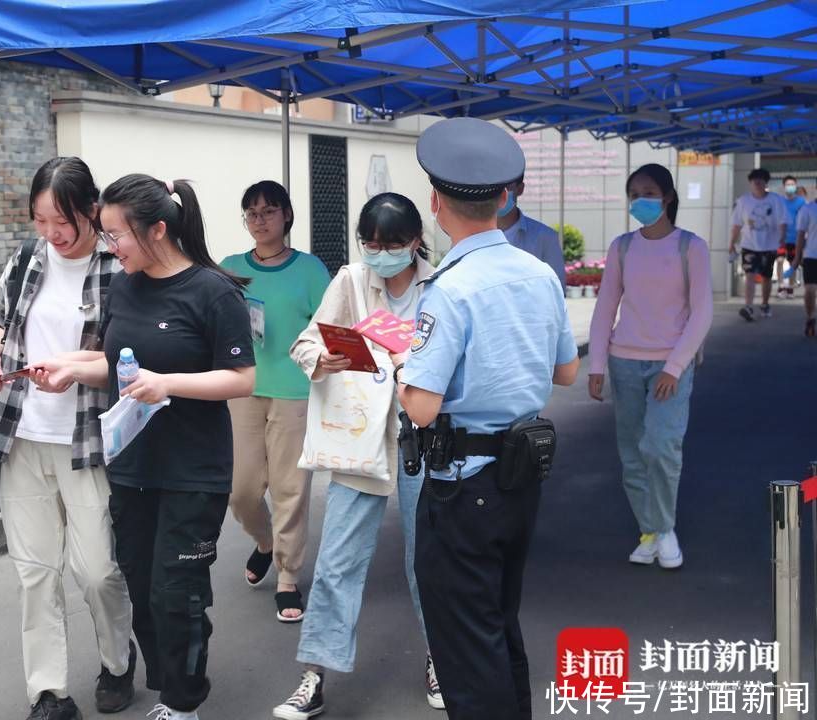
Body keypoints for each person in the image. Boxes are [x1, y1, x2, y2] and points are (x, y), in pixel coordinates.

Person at [31, 174, 256, 720]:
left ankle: (181, 704)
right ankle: (170, 680)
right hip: (131, 465)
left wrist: (169, 383)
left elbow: (241, 378)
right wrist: (68, 368)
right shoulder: (126, 285)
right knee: (141, 586)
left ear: (158, 229)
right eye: (105, 235)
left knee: (176, 593)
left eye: (117, 235)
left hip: (192, 470)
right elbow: (117, 363)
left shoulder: (212, 291)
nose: (110, 247)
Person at [391, 118, 580, 720]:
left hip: (461, 484)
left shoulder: (449, 288)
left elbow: (420, 405)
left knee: (466, 648)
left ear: (435, 204)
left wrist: (401, 367)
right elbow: (567, 374)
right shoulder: (540, 273)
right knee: (499, 624)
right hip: (520, 478)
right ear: (505, 198)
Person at [0, 157, 134, 720]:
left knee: (96, 570)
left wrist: (73, 366)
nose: (50, 234)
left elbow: (125, 357)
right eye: (40, 220)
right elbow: (3, 319)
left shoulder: (119, 266)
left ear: (91, 210)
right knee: (35, 572)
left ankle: (118, 660)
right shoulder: (25, 260)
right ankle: (49, 692)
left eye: (60, 221)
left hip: (86, 438)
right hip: (21, 433)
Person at [273, 193, 440, 720]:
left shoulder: (441, 286)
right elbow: (303, 344)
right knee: (338, 560)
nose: (380, 254)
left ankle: (441, 658)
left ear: (415, 242)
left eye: (391, 245)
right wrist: (323, 358)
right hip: (357, 435)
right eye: (370, 244)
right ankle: (314, 676)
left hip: (422, 438)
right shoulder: (350, 280)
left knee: (428, 560)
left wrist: (408, 360)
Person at [587, 163, 713, 569]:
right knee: (633, 455)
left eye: (648, 192)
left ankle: (663, 526)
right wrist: (597, 364)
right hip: (626, 362)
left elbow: (703, 312)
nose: (640, 200)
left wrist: (675, 366)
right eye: (634, 193)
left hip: (669, 365)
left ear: (668, 197)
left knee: (661, 447)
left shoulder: (690, 247)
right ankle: (652, 532)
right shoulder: (622, 247)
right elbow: (607, 305)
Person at [219, 181, 330, 623]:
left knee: (290, 489)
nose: (260, 220)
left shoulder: (310, 270)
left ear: (286, 215)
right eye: (251, 212)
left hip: (294, 393)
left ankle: (287, 575)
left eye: (268, 211)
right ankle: (265, 542)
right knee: (240, 490)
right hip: (242, 389)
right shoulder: (229, 268)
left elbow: (329, 325)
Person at [729, 168, 787, 320]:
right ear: (750, 183)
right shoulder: (743, 201)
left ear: (765, 183)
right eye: (754, 181)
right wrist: (732, 243)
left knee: (767, 276)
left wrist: (783, 237)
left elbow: (783, 221)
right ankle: (748, 306)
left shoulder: (776, 200)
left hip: (770, 245)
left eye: (761, 180)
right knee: (750, 275)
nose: (757, 183)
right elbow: (736, 224)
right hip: (749, 244)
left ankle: (765, 303)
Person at [495, 173, 567, 287]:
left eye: (507, 187)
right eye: (496, 186)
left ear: (520, 189)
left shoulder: (546, 238)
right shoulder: (474, 234)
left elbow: (557, 289)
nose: (501, 193)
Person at [777, 176, 806, 298]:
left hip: (796, 237)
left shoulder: (801, 202)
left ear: (796, 185)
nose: (790, 186)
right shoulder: (779, 201)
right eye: (788, 184)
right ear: (784, 186)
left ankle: (790, 286)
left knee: (793, 262)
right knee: (779, 260)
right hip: (781, 237)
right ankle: (781, 286)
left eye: (792, 184)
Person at [792, 200, 817, 336]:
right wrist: (797, 257)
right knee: (810, 290)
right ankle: (811, 318)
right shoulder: (807, 209)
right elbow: (800, 235)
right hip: (812, 255)